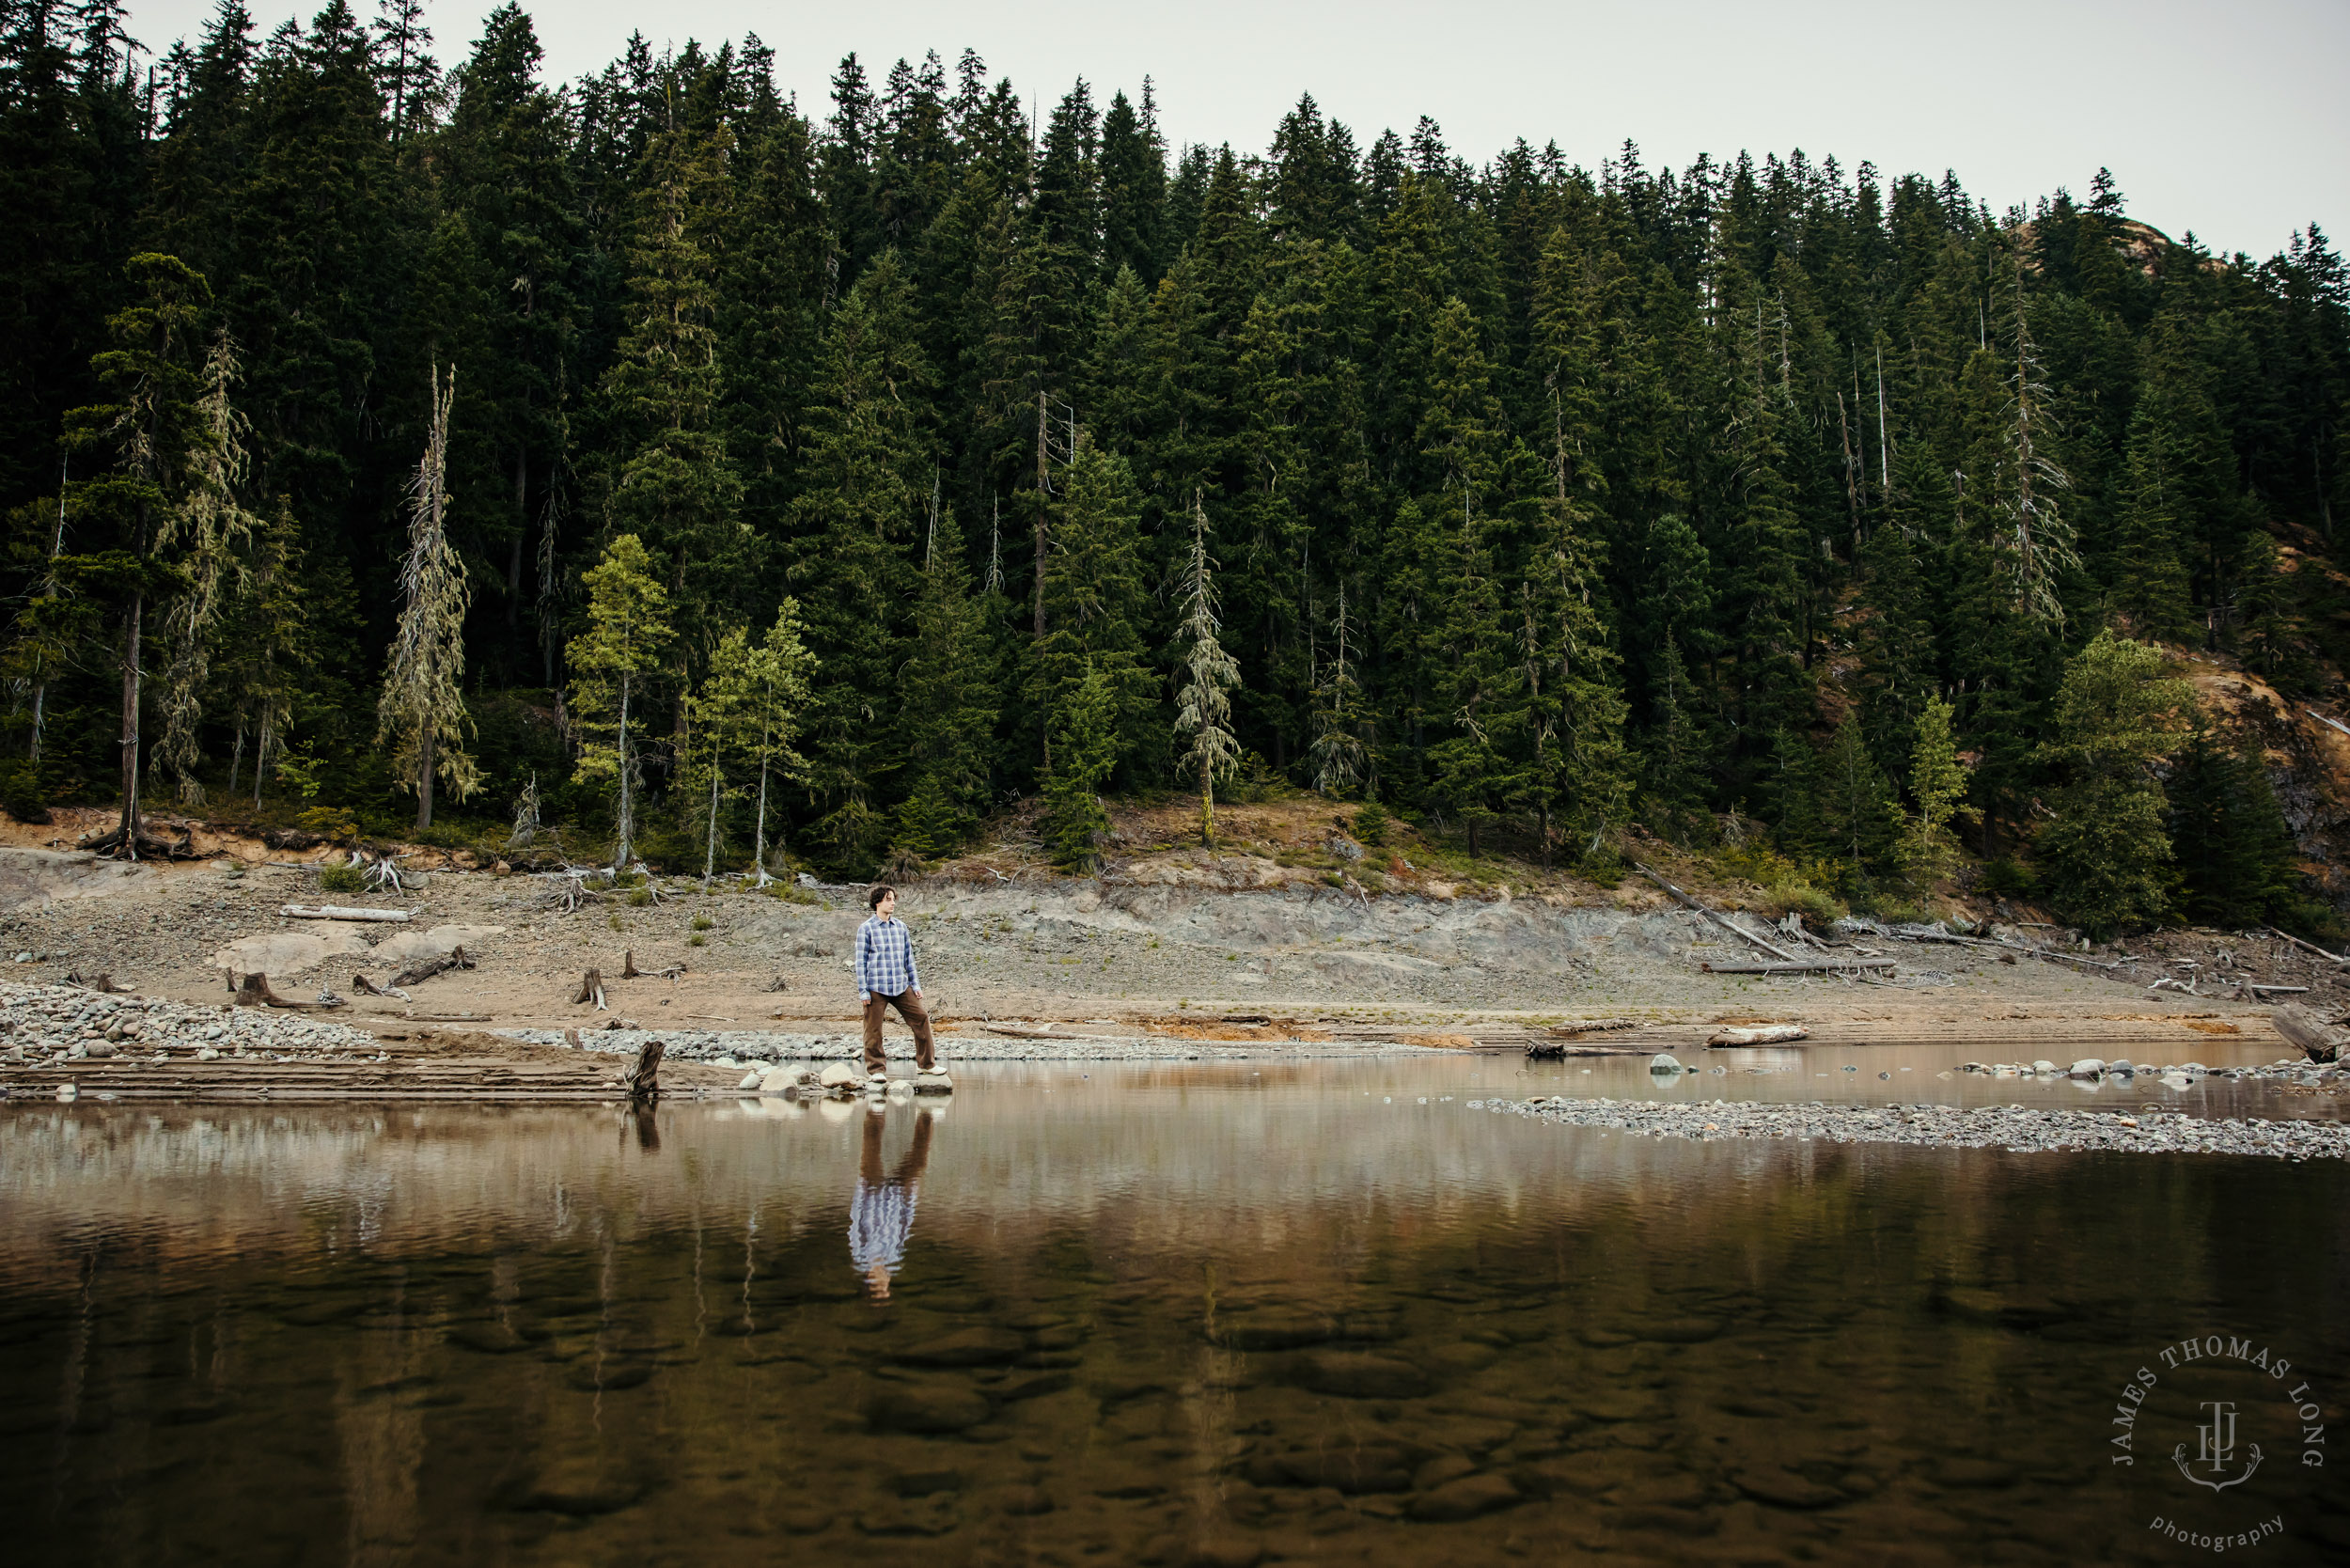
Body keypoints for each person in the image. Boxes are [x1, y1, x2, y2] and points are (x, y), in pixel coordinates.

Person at [854, 883, 943, 1089]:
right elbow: (860, 963)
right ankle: (876, 1071)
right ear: (877, 902)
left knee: (921, 1018)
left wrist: (916, 984)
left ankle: (926, 1064)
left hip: (901, 986)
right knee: (873, 1029)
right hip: (876, 987)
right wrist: (863, 991)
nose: (892, 903)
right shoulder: (866, 929)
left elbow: (908, 958)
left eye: (893, 899)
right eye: (888, 899)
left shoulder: (901, 927)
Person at [850, 1104, 934, 1301]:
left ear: (870, 1279)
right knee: (919, 1162)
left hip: (872, 1194)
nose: (886, 1281)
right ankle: (927, 1115)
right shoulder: (893, 1257)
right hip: (897, 1201)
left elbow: (856, 1219)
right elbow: (904, 1226)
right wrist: (910, 1196)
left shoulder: (861, 1254)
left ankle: (875, 1113)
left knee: (871, 1148)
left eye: (881, 1286)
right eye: (886, 1286)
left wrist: (862, 1188)